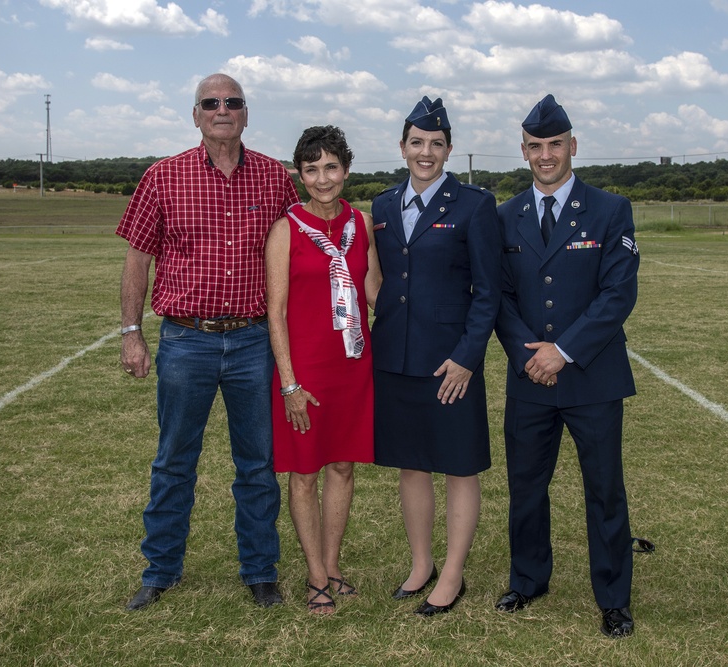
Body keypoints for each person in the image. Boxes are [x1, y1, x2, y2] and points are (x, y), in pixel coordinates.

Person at [117, 73, 300, 611]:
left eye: (233, 102)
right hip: (185, 342)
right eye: (211, 103)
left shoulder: (273, 178)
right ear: (195, 114)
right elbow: (137, 259)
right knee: (174, 461)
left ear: (246, 113)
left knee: (258, 464)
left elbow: (306, 241)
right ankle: (161, 570)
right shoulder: (163, 176)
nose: (223, 110)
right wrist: (132, 333)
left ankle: (260, 570)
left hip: (252, 342)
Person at [493, 94, 641, 637]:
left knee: (604, 488)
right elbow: (498, 297)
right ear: (524, 151)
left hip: (591, 376)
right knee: (526, 485)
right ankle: (528, 579)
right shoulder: (504, 216)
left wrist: (564, 351)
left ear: (572, 145)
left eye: (556, 144)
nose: (546, 154)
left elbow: (617, 294)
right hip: (530, 378)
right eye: (536, 146)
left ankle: (614, 596)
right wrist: (531, 356)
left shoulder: (609, 209)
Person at [370, 97, 502, 617]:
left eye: (437, 144)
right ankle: (421, 563)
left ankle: (452, 574)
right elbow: (380, 281)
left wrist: (468, 357)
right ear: (402, 147)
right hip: (397, 356)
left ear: (449, 150)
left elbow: (488, 292)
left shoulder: (474, 204)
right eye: (417, 143)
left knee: (459, 467)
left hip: (451, 361)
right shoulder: (382, 206)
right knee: (412, 466)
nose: (426, 153)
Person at [264, 125, 381, 614]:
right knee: (305, 473)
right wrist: (289, 382)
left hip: (352, 365)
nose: (322, 178)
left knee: (342, 466)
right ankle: (315, 577)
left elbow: (373, 291)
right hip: (304, 370)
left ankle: (333, 566)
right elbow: (276, 311)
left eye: (330, 167)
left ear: (346, 169)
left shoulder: (362, 223)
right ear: (300, 175)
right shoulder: (286, 228)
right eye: (311, 170)